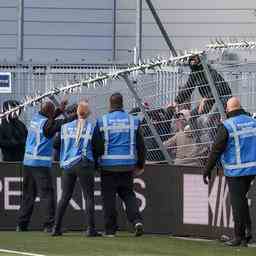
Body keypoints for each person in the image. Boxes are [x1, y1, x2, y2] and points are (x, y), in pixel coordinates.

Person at [17, 99, 76, 232]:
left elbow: (50, 120)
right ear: (48, 112)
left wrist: (59, 110)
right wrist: (75, 115)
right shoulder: (47, 124)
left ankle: (22, 224)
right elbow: (59, 124)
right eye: (52, 111)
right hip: (40, 164)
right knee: (47, 194)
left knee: (28, 194)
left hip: (28, 162)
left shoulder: (36, 119)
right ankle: (49, 224)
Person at [203, 97, 256, 247]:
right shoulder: (253, 122)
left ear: (228, 109)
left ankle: (239, 236)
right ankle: (247, 233)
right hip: (253, 168)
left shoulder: (227, 125)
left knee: (237, 202)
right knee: (242, 202)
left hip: (236, 171)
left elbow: (216, 150)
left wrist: (207, 170)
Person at [93, 92, 146, 237]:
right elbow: (141, 146)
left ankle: (110, 230)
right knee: (128, 194)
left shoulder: (101, 121)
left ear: (110, 104)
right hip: (127, 165)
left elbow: (96, 146)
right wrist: (140, 164)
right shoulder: (133, 121)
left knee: (108, 197)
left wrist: (96, 164)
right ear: (122, 104)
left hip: (108, 166)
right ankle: (136, 221)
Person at [51, 101, 101, 237]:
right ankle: (91, 229)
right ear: (88, 113)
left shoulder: (65, 127)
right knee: (89, 196)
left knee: (65, 196)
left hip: (68, 164)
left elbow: (55, 144)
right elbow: (98, 148)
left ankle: (56, 228)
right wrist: (96, 163)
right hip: (84, 163)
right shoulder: (91, 127)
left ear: (77, 112)